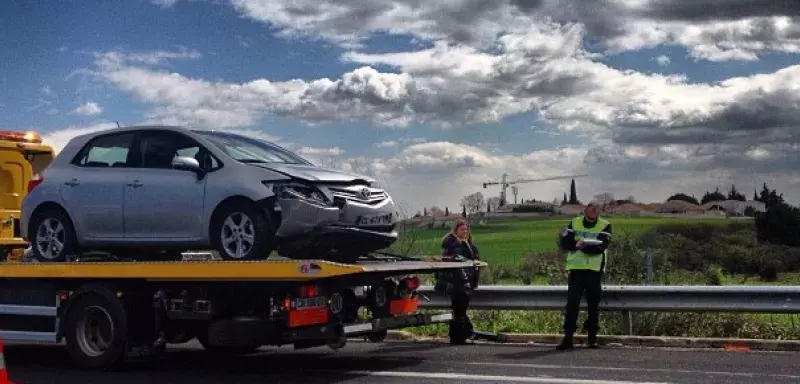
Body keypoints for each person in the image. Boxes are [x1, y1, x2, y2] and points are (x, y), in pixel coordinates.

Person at [556, 203, 612, 350]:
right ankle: (568, 338)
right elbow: (565, 242)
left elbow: (601, 247)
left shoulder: (605, 225)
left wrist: (582, 246)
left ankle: (592, 338)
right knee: (572, 305)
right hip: (576, 271)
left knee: (593, 306)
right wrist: (577, 245)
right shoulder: (575, 222)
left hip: (594, 271)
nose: (594, 211)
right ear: (585, 211)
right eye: (591, 209)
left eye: (597, 209)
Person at [438, 219, 480, 344]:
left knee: (459, 310)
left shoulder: (466, 244)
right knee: (460, 310)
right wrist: (465, 281)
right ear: (456, 230)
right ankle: (459, 337)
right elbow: (456, 263)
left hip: (465, 282)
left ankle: (461, 334)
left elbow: (474, 259)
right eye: (462, 229)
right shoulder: (455, 245)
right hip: (458, 282)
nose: (465, 232)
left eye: (466, 229)